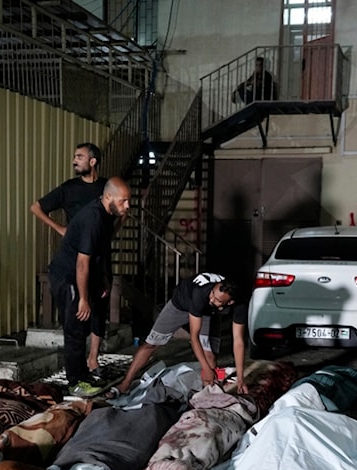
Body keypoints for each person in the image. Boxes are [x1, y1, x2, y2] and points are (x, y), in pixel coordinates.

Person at [31, 142, 113, 380]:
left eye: (79, 156)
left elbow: (114, 218)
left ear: (93, 161)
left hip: (99, 256)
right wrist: (60, 229)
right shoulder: (69, 189)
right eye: (74, 156)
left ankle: (93, 359)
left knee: (99, 309)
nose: (74, 160)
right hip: (77, 257)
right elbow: (35, 207)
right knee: (78, 316)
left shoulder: (105, 189)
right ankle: (76, 378)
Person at [47, 177, 130, 396]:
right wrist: (83, 298)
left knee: (83, 328)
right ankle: (75, 382)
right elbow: (82, 263)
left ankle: (83, 374)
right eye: (123, 201)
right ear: (108, 197)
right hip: (68, 276)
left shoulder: (106, 214)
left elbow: (100, 250)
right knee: (75, 328)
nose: (127, 206)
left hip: (84, 274)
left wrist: (102, 280)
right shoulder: (93, 218)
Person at [113, 272, 248, 396]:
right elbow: (194, 337)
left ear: (230, 302)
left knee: (210, 356)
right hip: (180, 305)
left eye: (218, 300)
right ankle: (125, 384)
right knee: (151, 345)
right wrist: (206, 369)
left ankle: (207, 395)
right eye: (213, 294)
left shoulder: (240, 304)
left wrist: (241, 379)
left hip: (208, 313)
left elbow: (238, 341)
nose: (212, 299)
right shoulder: (202, 294)